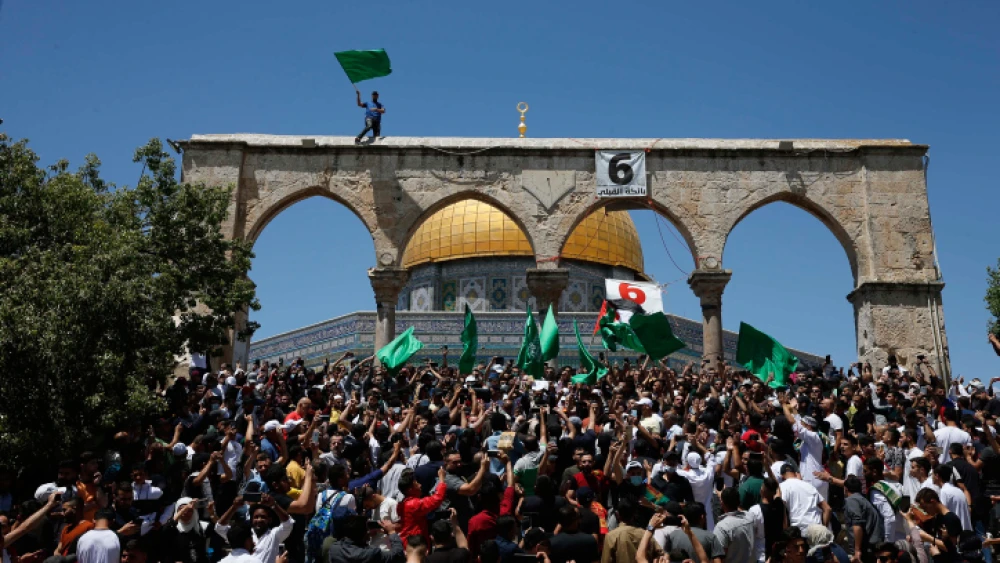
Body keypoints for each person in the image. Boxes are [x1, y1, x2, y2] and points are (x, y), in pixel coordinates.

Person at [327, 514, 405, 563]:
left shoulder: (334, 549)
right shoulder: (370, 554)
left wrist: (364, 535)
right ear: (365, 533)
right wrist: (392, 532)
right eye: (367, 528)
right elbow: (397, 556)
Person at [778, 465, 832, 532]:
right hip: (817, 529)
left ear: (782, 476)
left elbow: (780, 510)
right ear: (795, 473)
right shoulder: (809, 486)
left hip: (799, 531)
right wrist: (823, 529)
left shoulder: (781, 487)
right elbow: (827, 509)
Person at [843, 475, 884, 563]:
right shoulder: (863, 500)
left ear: (846, 489)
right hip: (870, 547)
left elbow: (857, 525)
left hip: (864, 550)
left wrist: (857, 550)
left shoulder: (852, 500)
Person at [712, 488, 754, 563]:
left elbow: (719, 558)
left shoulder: (721, 527)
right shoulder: (749, 518)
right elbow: (741, 510)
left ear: (722, 503)